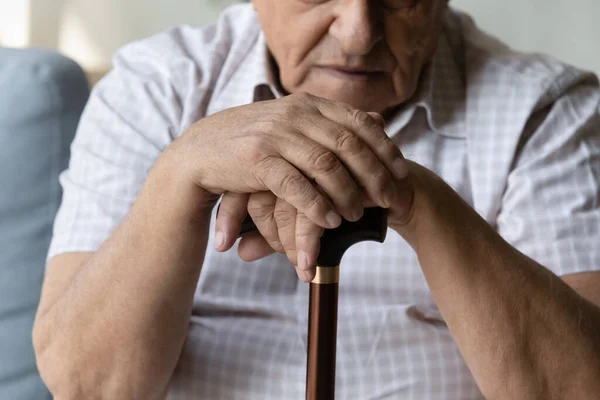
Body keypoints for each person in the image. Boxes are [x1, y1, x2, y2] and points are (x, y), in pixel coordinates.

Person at [33, 1, 600, 399]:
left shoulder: (546, 109)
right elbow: (89, 389)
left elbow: (579, 389)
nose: (358, 31)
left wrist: (408, 195)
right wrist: (183, 170)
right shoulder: (154, 86)